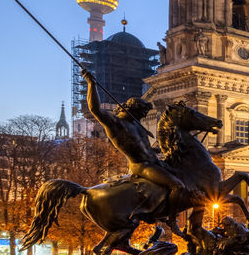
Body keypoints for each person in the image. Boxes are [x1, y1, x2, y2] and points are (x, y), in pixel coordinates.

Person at [82, 69, 193, 209]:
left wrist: (156, 149)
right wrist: (91, 84)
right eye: (142, 113)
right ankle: (171, 219)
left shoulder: (136, 125)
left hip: (155, 162)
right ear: (133, 109)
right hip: (142, 166)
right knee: (177, 185)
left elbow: (142, 146)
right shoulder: (117, 124)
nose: (143, 116)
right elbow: (95, 109)